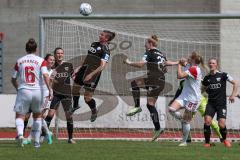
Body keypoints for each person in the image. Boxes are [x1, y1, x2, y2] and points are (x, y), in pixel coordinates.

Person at [123, 35, 178, 141]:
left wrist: (129, 62)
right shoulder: (161, 53)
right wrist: (177, 62)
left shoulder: (149, 52)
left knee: (134, 83)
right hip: (161, 82)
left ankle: (137, 106)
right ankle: (158, 128)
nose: (144, 45)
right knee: (150, 105)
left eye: (146, 43)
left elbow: (141, 64)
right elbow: (166, 63)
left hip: (154, 79)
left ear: (150, 44)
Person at [11, 38, 52, 148]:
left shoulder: (19, 61)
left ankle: (20, 135)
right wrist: (50, 89)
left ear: (26, 49)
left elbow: (13, 78)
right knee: (37, 116)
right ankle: (37, 142)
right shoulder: (41, 60)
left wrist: (18, 88)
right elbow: (46, 75)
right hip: (37, 91)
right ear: (36, 49)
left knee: (20, 115)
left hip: (24, 90)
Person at [169, 61, 222, 143]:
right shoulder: (183, 82)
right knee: (186, 120)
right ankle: (188, 138)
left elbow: (207, 89)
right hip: (191, 101)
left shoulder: (199, 79)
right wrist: (174, 99)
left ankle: (222, 137)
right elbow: (179, 92)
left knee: (208, 119)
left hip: (201, 101)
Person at [70, 30, 116, 122]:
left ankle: (94, 111)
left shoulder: (105, 50)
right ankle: (75, 105)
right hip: (84, 70)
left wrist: (90, 75)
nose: (99, 35)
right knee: (74, 90)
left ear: (106, 38)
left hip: (93, 75)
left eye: (102, 35)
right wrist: (79, 67)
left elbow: (102, 66)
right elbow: (87, 58)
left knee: (87, 98)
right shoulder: (94, 44)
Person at [168, 51, 205, 146]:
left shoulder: (194, 69)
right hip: (184, 96)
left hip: (193, 99)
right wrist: (179, 62)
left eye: (190, 57)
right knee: (171, 109)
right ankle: (182, 120)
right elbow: (184, 63)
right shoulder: (190, 66)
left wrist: (179, 65)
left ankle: (184, 141)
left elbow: (179, 76)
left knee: (186, 121)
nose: (188, 58)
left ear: (193, 59)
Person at [202, 57, 238, 148]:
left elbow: (236, 83)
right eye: (210, 63)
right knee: (207, 121)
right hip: (211, 104)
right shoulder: (206, 78)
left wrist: (233, 95)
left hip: (221, 104)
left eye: (213, 63)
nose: (211, 64)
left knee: (221, 124)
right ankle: (207, 143)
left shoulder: (223, 75)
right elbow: (203, 89)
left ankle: (225, 140)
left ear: (216, 65)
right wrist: (203, 92)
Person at [44, 47, 75, 144]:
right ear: (55, 54)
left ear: (63, 54)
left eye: (61, 53)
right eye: (57, 53)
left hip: (66, 94)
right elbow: (48, 79)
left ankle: (70, 138)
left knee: (69, 116)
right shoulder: (52, 66)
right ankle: (43, 135)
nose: (59, 55)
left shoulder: (68, 65)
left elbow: (74, 76)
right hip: (56, 94)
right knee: (50, 114)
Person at [22, 54, 55, 145]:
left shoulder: (53, 72)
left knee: (38, 116)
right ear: (46, 60)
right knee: (38, 117)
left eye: (53, 60)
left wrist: (50, 93)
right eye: (50, 59)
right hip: (37, 95)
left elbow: (50, 85)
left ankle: (29, 138)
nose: (52, 61)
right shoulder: (40, 68)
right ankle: (48, 133)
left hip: (46, 96)